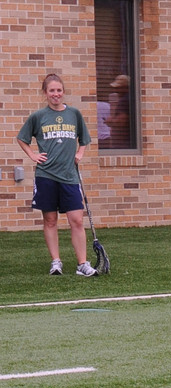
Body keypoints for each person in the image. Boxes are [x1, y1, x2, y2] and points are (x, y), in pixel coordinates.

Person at [16, 73, 96, 277]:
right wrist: (33, 155)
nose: (56, 94)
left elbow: (84, 140)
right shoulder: (38, 116)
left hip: (69, 176)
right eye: (51, 90)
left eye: (59, 90)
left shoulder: (74, 114)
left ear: (63, 92)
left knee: (76, 220)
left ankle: (82, 264)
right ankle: (56, 262)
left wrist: (79, 153)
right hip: (46, 175)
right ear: (45, 93)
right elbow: (22, 139)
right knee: (50, 220)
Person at [105, 74, 130, 149]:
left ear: (125, 87)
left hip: (124, 142)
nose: (115, 90)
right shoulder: (130, 98)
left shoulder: (124, 100)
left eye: (118, 88)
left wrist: (110, 121)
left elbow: (121, 121)